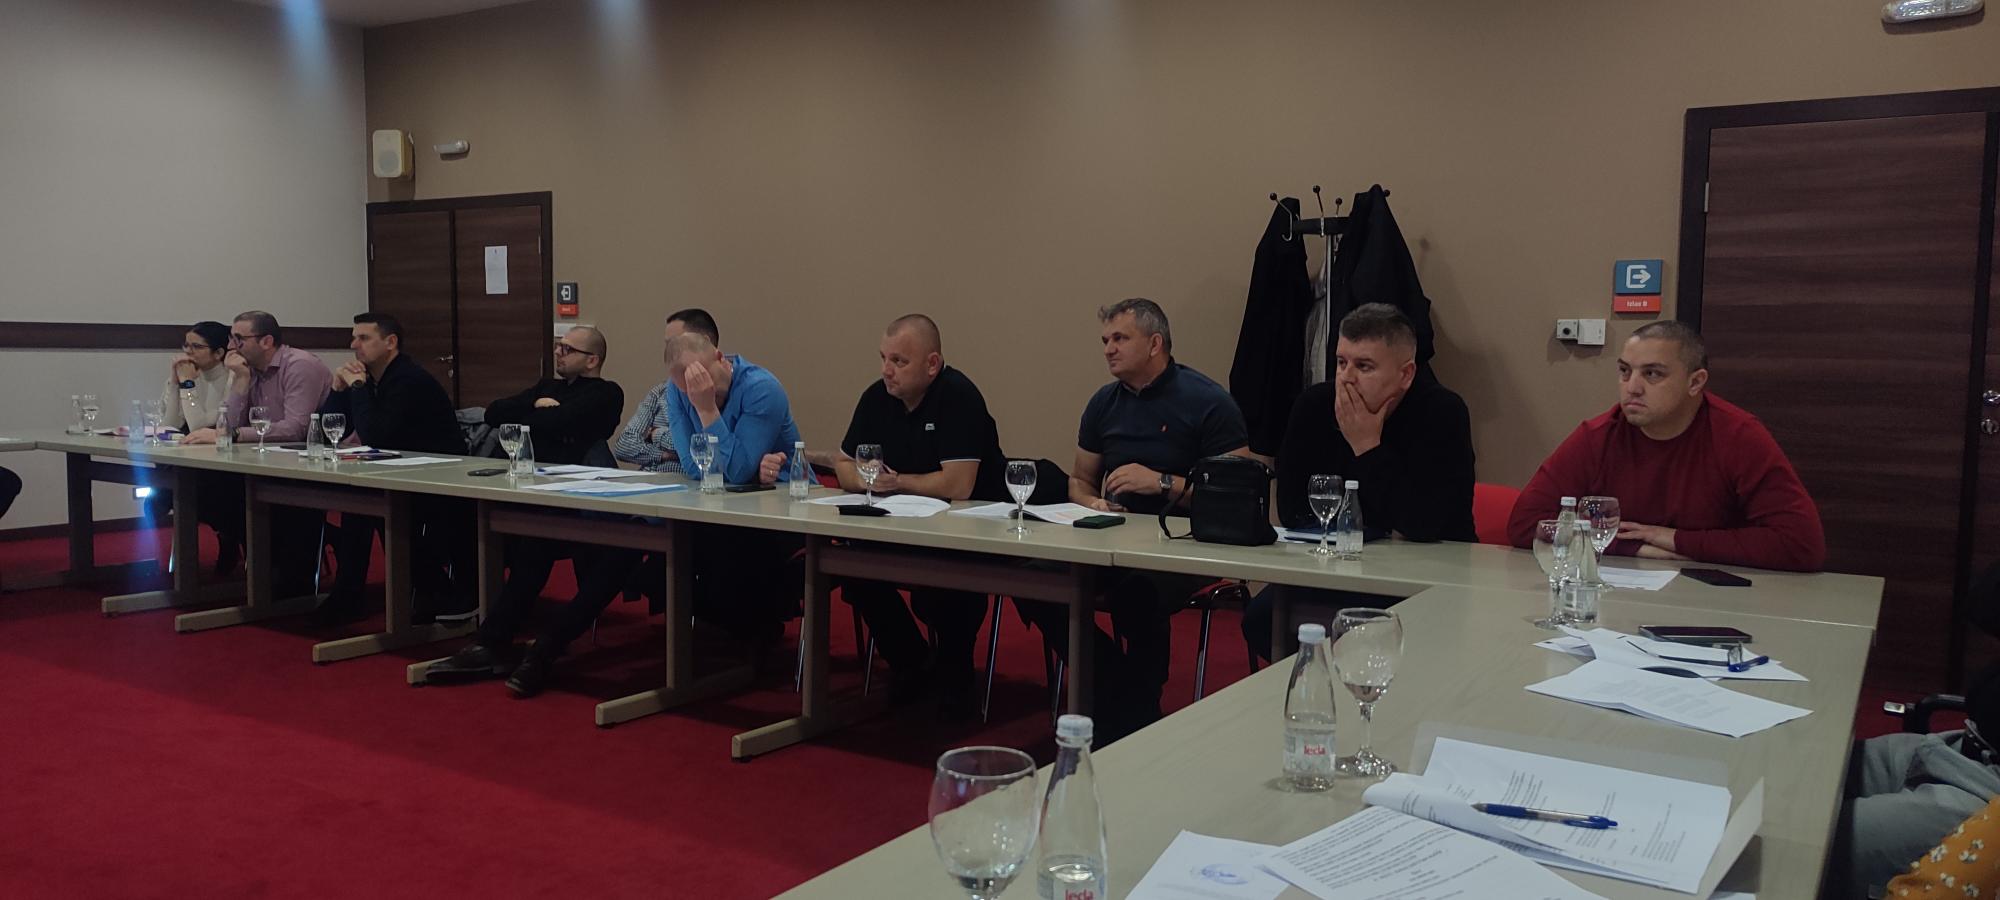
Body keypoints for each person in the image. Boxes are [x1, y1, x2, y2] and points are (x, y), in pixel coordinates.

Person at [1026, 298, 1253, 743]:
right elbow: (1079, 481)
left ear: (1154, 344)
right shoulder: (1103, 403)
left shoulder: (1207, 401)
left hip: (1188, 544)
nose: (1108, 349)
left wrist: (1163, 483)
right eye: (1105, 340)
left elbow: (1239, 496)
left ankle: (1134, 702)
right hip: (1113, 537)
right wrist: (1093, 502)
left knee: (1136, 594)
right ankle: (1122, 690)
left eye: (1120, 338)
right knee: (1036, 579)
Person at [1242, 303, 1476, 661]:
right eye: (1341, 362)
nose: (1346, 378)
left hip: (1431, 578)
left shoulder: (1443, 413)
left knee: (1390, 634)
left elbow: (1422, 523)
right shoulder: (1314, 406)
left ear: (1406, 374)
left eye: (1364, 366)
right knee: (1262, 619)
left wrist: (1367, 447)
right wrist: (1381, 524)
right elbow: (1295, 511)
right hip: (1337, 571)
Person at [1506, 321, 1826, 572]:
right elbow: (1526, 524)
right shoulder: (1599, 435)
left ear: (1695, 382)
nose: (1632, 387)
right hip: (1619, 596)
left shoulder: (1737, 435)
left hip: (1719, 599)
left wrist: (1674, 539)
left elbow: (1800, 545)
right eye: (1624, 371)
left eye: (1652, 374)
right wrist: (1635, 547)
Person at [424, 326, 625, 694]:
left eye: (568, 349)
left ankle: (503, 642)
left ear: (592, 360)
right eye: (558, 346)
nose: (559, 353)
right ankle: (480, 626)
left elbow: (566, 422)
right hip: (534, 497)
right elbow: (495, 412)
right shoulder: (545, 387)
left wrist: (542, 416)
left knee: (535, 544)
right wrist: (538, 407)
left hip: (580, 503)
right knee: (462, 516)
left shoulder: (606, 393)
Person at [826, 314, 1008, 713]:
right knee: (850, 565)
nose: (886, 370)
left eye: (899, 361)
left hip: (969, 533)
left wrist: (896, 482)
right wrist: (867, 480)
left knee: (948, 586)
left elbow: (958, 485)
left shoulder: (958, 396)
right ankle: (911, 661)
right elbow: (843, 465)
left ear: (932, 364)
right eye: (883, 358)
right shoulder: (877, 397)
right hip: (901, 525)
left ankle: (955, 673)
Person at [313, 313, 475, 626]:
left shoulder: (408, 380)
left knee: (376, 507)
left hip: (441, 478)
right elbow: (326, 432)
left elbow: (377, 435)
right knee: (359, 506)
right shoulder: (371, 379)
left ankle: (434, 589)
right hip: (400, 475)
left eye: (363, 338)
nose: (354, 345)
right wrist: (337, 389)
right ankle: (350, 596)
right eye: (354, 337)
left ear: (390, 342)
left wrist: (357, 388)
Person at [181, 311, 333, 597]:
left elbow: (296, 428)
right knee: (203, 487)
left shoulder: (299, 365)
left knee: (228, 490)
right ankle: (266, 567)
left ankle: (286, 572)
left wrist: (234, 435)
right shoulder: (249, 370)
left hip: (313, 459)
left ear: (266, 341)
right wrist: (240, 379)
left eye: (239, 339)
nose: (232, 346)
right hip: (268, 459)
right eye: (231, 338)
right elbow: (228, 425)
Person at [611, 308, 718, 474]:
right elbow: (623, 445)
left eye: (674, 343)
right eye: (667, 344)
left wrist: (656, 434)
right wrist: (662, 455)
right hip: (647, 479)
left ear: (704, 342)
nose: (669, 351)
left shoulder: (716, 394)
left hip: (684, 481)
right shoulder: (660, 391)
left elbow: (703, 448)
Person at [159, 321, 233, 434]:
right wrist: (174, 383)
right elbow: (169, 426)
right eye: (186, 345)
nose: (188, 351)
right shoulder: (186, 373)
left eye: (197, 346)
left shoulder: (231, 379)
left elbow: (198, 427)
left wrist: (187, 384)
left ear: (218, 353)